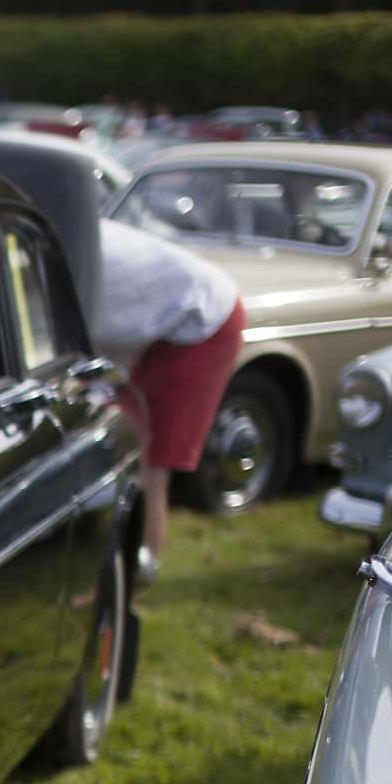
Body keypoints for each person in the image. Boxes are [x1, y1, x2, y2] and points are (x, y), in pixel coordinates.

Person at [91, 218, 246, 581]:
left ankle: (137, 571)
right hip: (161, 323)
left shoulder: (80, 267)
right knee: (122, 443)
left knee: (152, 461)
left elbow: (92, 346)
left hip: (203, 325)